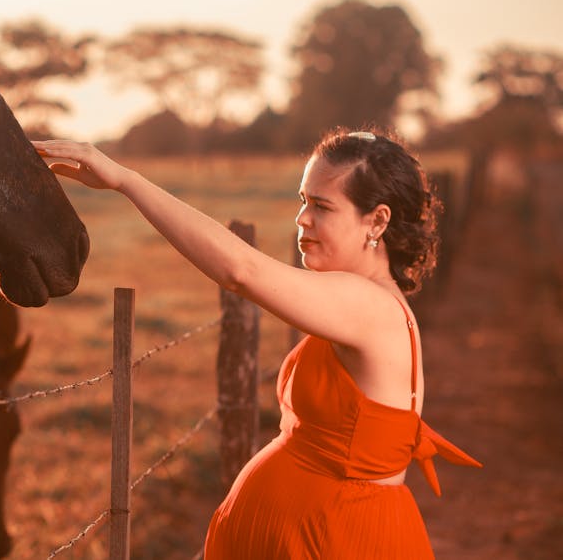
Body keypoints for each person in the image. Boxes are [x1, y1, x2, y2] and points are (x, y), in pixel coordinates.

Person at [33, 128, 481, 559]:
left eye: (322, 206)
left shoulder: (371, 306)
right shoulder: (363, 301)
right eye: (303, 201)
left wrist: (126, 181)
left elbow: (240, 272)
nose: (302, 219)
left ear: (377, 221)